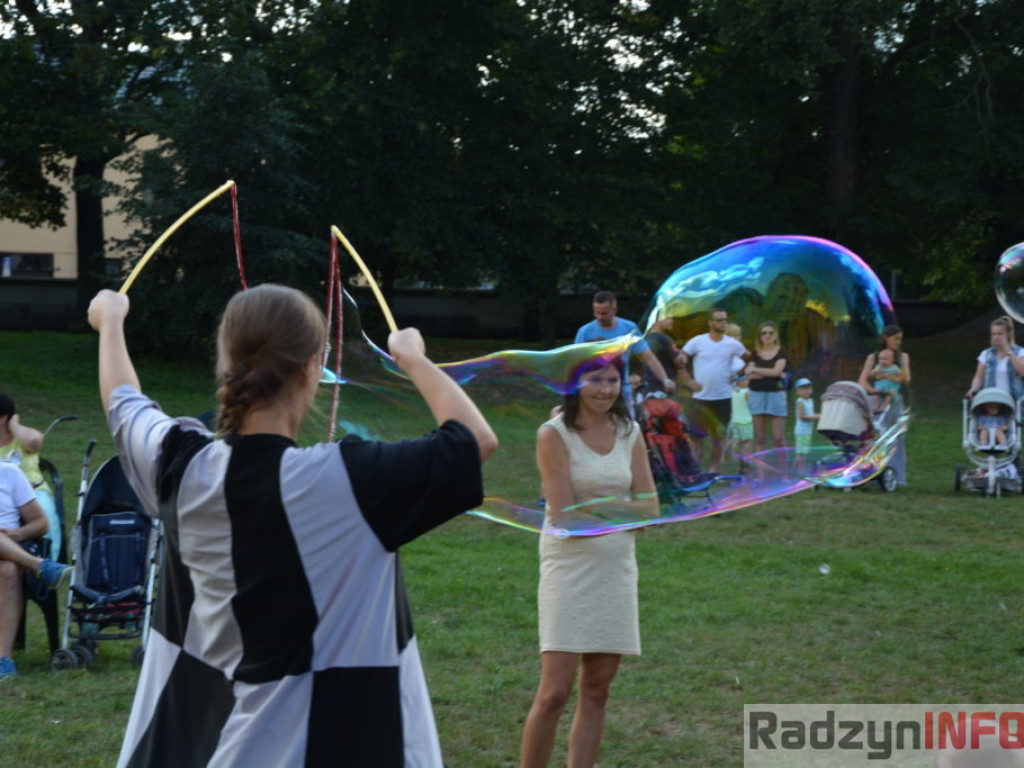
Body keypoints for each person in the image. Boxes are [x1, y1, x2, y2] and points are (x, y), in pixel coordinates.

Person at [88, 285, 498, 767]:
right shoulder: (349, 480)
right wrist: (412, 358)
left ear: (226, 364)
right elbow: (473, 440)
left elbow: (124, 402)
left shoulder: (179, 465)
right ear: (311, 370)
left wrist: (111, 320)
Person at [520, 354, 657, 768]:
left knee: (598, 689)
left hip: (616, 570)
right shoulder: (553, 434)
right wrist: (622, 509)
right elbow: (565, 518)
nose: (605, 389)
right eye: (595, 380)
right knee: (554, 692)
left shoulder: (629, 432)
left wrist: (594, 507)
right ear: (575, 384)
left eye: (612, 380)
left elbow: (650, 509)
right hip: (569, 569)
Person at [0, 461, 69, 680]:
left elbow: (40, 523)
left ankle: (3, 660)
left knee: (8, 570)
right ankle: (40, 566)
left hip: (11, 553)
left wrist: (16, 535)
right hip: (19, 556)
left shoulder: (9, 472)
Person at [575, 291, 676, 408]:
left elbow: (648, 357)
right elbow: (575, 363)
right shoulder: (585, 332)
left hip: (622, 390)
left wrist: (665, 379)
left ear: (614, 310)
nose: (599, 317)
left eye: (604, 313)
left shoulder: (628, 328)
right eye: (596, 312)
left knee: (627, 419)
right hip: (594, 392)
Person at [679, 308, 748, 472]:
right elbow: (680, 360)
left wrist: (738, 375)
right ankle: (695, 471)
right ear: (710, 323)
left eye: (724, 320)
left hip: (723, 398)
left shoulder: (732, 344)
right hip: (700, 398)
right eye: (719, 320)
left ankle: (713, 471)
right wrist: (688, 381)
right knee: (696, 438)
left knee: (718, 438)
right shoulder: (698, 341)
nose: (723, 323)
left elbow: (749, 358)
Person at [0, 394, 61, 559]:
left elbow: (34, 441)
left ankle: (48, 558)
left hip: (34, 491)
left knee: (43, 510)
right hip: (4, 495)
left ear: (3, 418)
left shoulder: (22, 439)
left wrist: (13, 424)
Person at [859, 324, 912, 486]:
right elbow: (862, 380)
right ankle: (870, 472)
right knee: (874, 435)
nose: (898, 342)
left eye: (900, 339)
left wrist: (890, 378)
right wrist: (872, 390)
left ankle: (896, 475)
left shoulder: (902, 357)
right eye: (896, 338)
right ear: (886, 338)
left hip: (894, 399)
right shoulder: (874, 357)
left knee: (895, 437)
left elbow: (907, 379)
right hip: (876, 399)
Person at [744, 321, 788, 454]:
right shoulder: (755, 353)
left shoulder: (781, 352)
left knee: (778, 438)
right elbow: (749, 375)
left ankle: (783, 467)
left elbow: (776, 371)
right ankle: (760, 468)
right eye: (764, 333)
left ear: (776, 335)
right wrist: (772, 373)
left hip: (776, 394)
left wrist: (756, 369)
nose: (767, 336)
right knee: (760, 438)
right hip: (756, 394)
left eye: (770, 333)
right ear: (759, 336)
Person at [966, 316, 1024, 401]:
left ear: (1008, 334)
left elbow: (1022, 371)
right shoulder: (986, 354)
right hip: (992, 399)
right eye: (994, 334)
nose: (996, 337)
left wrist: (1007, 349)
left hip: (1015, 398)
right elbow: (979, 377)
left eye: (1000, 334)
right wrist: (973, 389)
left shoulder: (1020, 352)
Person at [725, 375, 753, 472]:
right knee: (747, 441)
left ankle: (735, 456)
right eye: (745, 380)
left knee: (736, 440)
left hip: (735, 420)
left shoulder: (733, 391)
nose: (748, 381)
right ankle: (746, 461)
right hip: (745, 421)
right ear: (740, 382)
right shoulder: (747, 392)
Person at [792, 378, 818, 468]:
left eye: (808, 388)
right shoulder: (800, 402)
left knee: (802, 452)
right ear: (797, 391)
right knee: (802, 453)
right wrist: (816, 417)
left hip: (807, 431)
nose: (806, 391)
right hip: (801, 432)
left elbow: (811, 414)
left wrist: (820, 415)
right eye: (802, 389)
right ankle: (800, 471)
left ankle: (794, 469)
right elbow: (802, 416)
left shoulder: (810, 401)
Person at [867, 347, 902, 413]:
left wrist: (895, 378)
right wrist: (874, 372)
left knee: (891, 393)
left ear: (892, 360)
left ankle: (884, 406)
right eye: (880, 359)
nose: (882, 361)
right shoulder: (879, 366)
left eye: (885, 359)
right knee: (876, 391)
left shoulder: (895, 368)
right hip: (881, 384)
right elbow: (871, 374)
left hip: (891, 385)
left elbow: (901, 376)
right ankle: (876, 404)